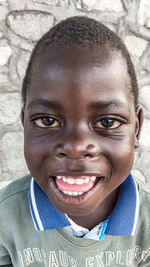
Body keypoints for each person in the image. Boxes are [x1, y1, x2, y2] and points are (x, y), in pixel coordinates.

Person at [0, 15, 149, 267]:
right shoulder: (5, 220)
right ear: (24, 123)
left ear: (136, 129)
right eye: (47, 121)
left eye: (107, 122)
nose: (76, 147)